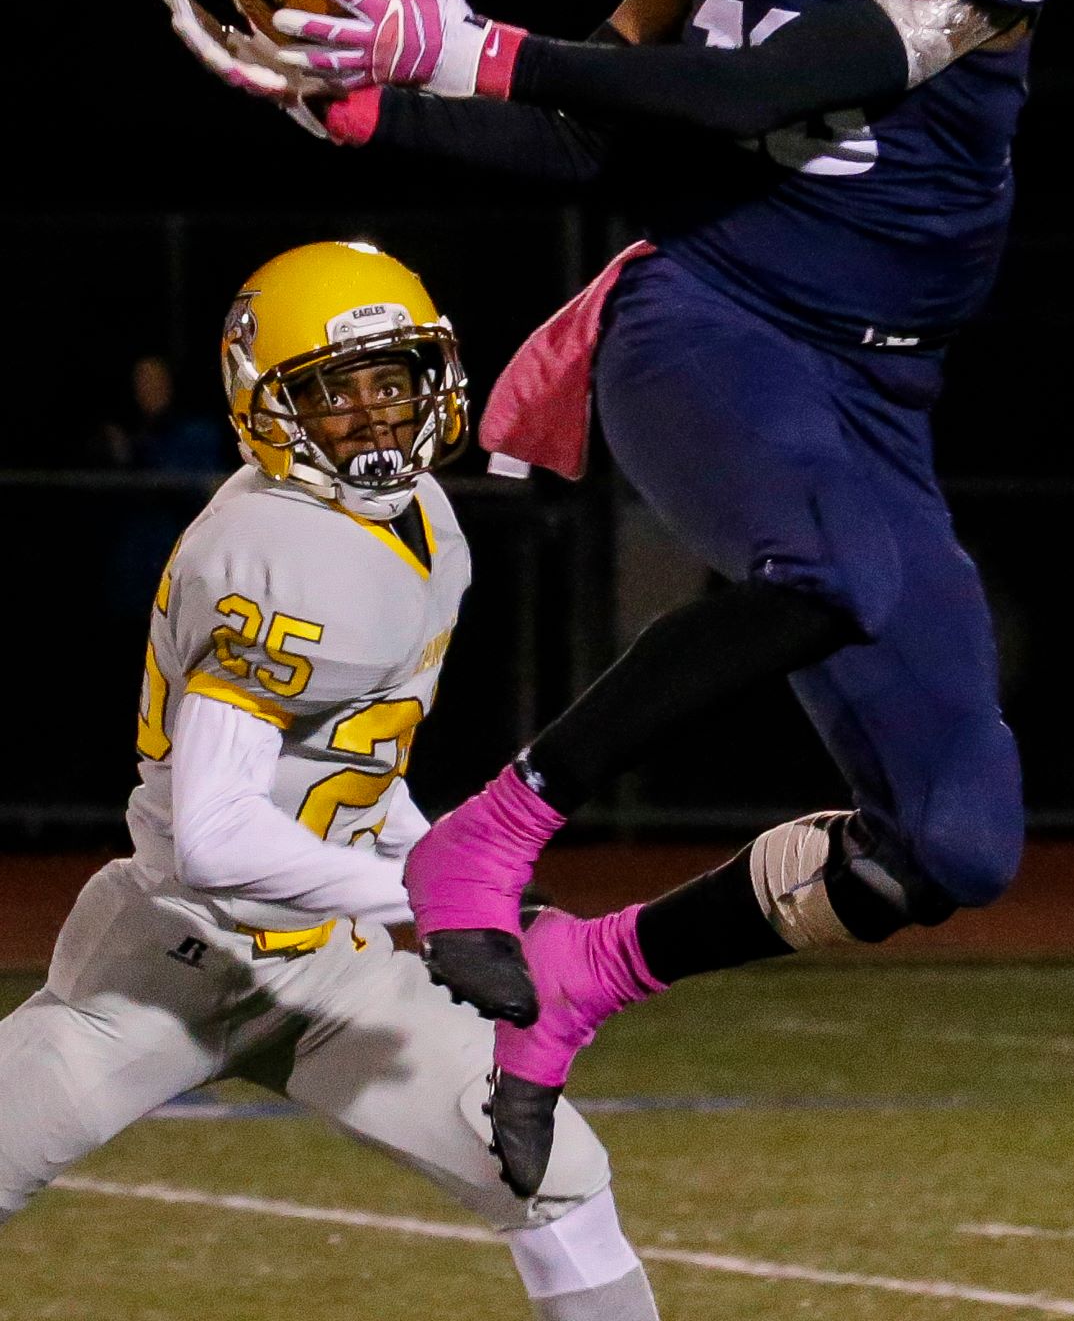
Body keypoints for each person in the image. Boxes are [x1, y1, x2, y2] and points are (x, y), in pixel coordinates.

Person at [164, 0, 1074, 1196]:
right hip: (709, 313)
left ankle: (591, 971)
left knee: (950, 844)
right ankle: (493, 830)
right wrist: (380, 110)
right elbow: (605, 133)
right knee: (827, 575)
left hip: (879, 395)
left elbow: (770, 87)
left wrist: (471, 53)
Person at [0, 239, 660, 1321]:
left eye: (389, 382)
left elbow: (355, 772)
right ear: (268, 405)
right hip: (172, 960)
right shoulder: (275, 547)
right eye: (330, 392)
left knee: (557, 1178)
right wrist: (432, 899)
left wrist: (459, 877)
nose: (371, 417)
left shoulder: (424, 519)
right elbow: (216, 833)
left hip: (328, 963)